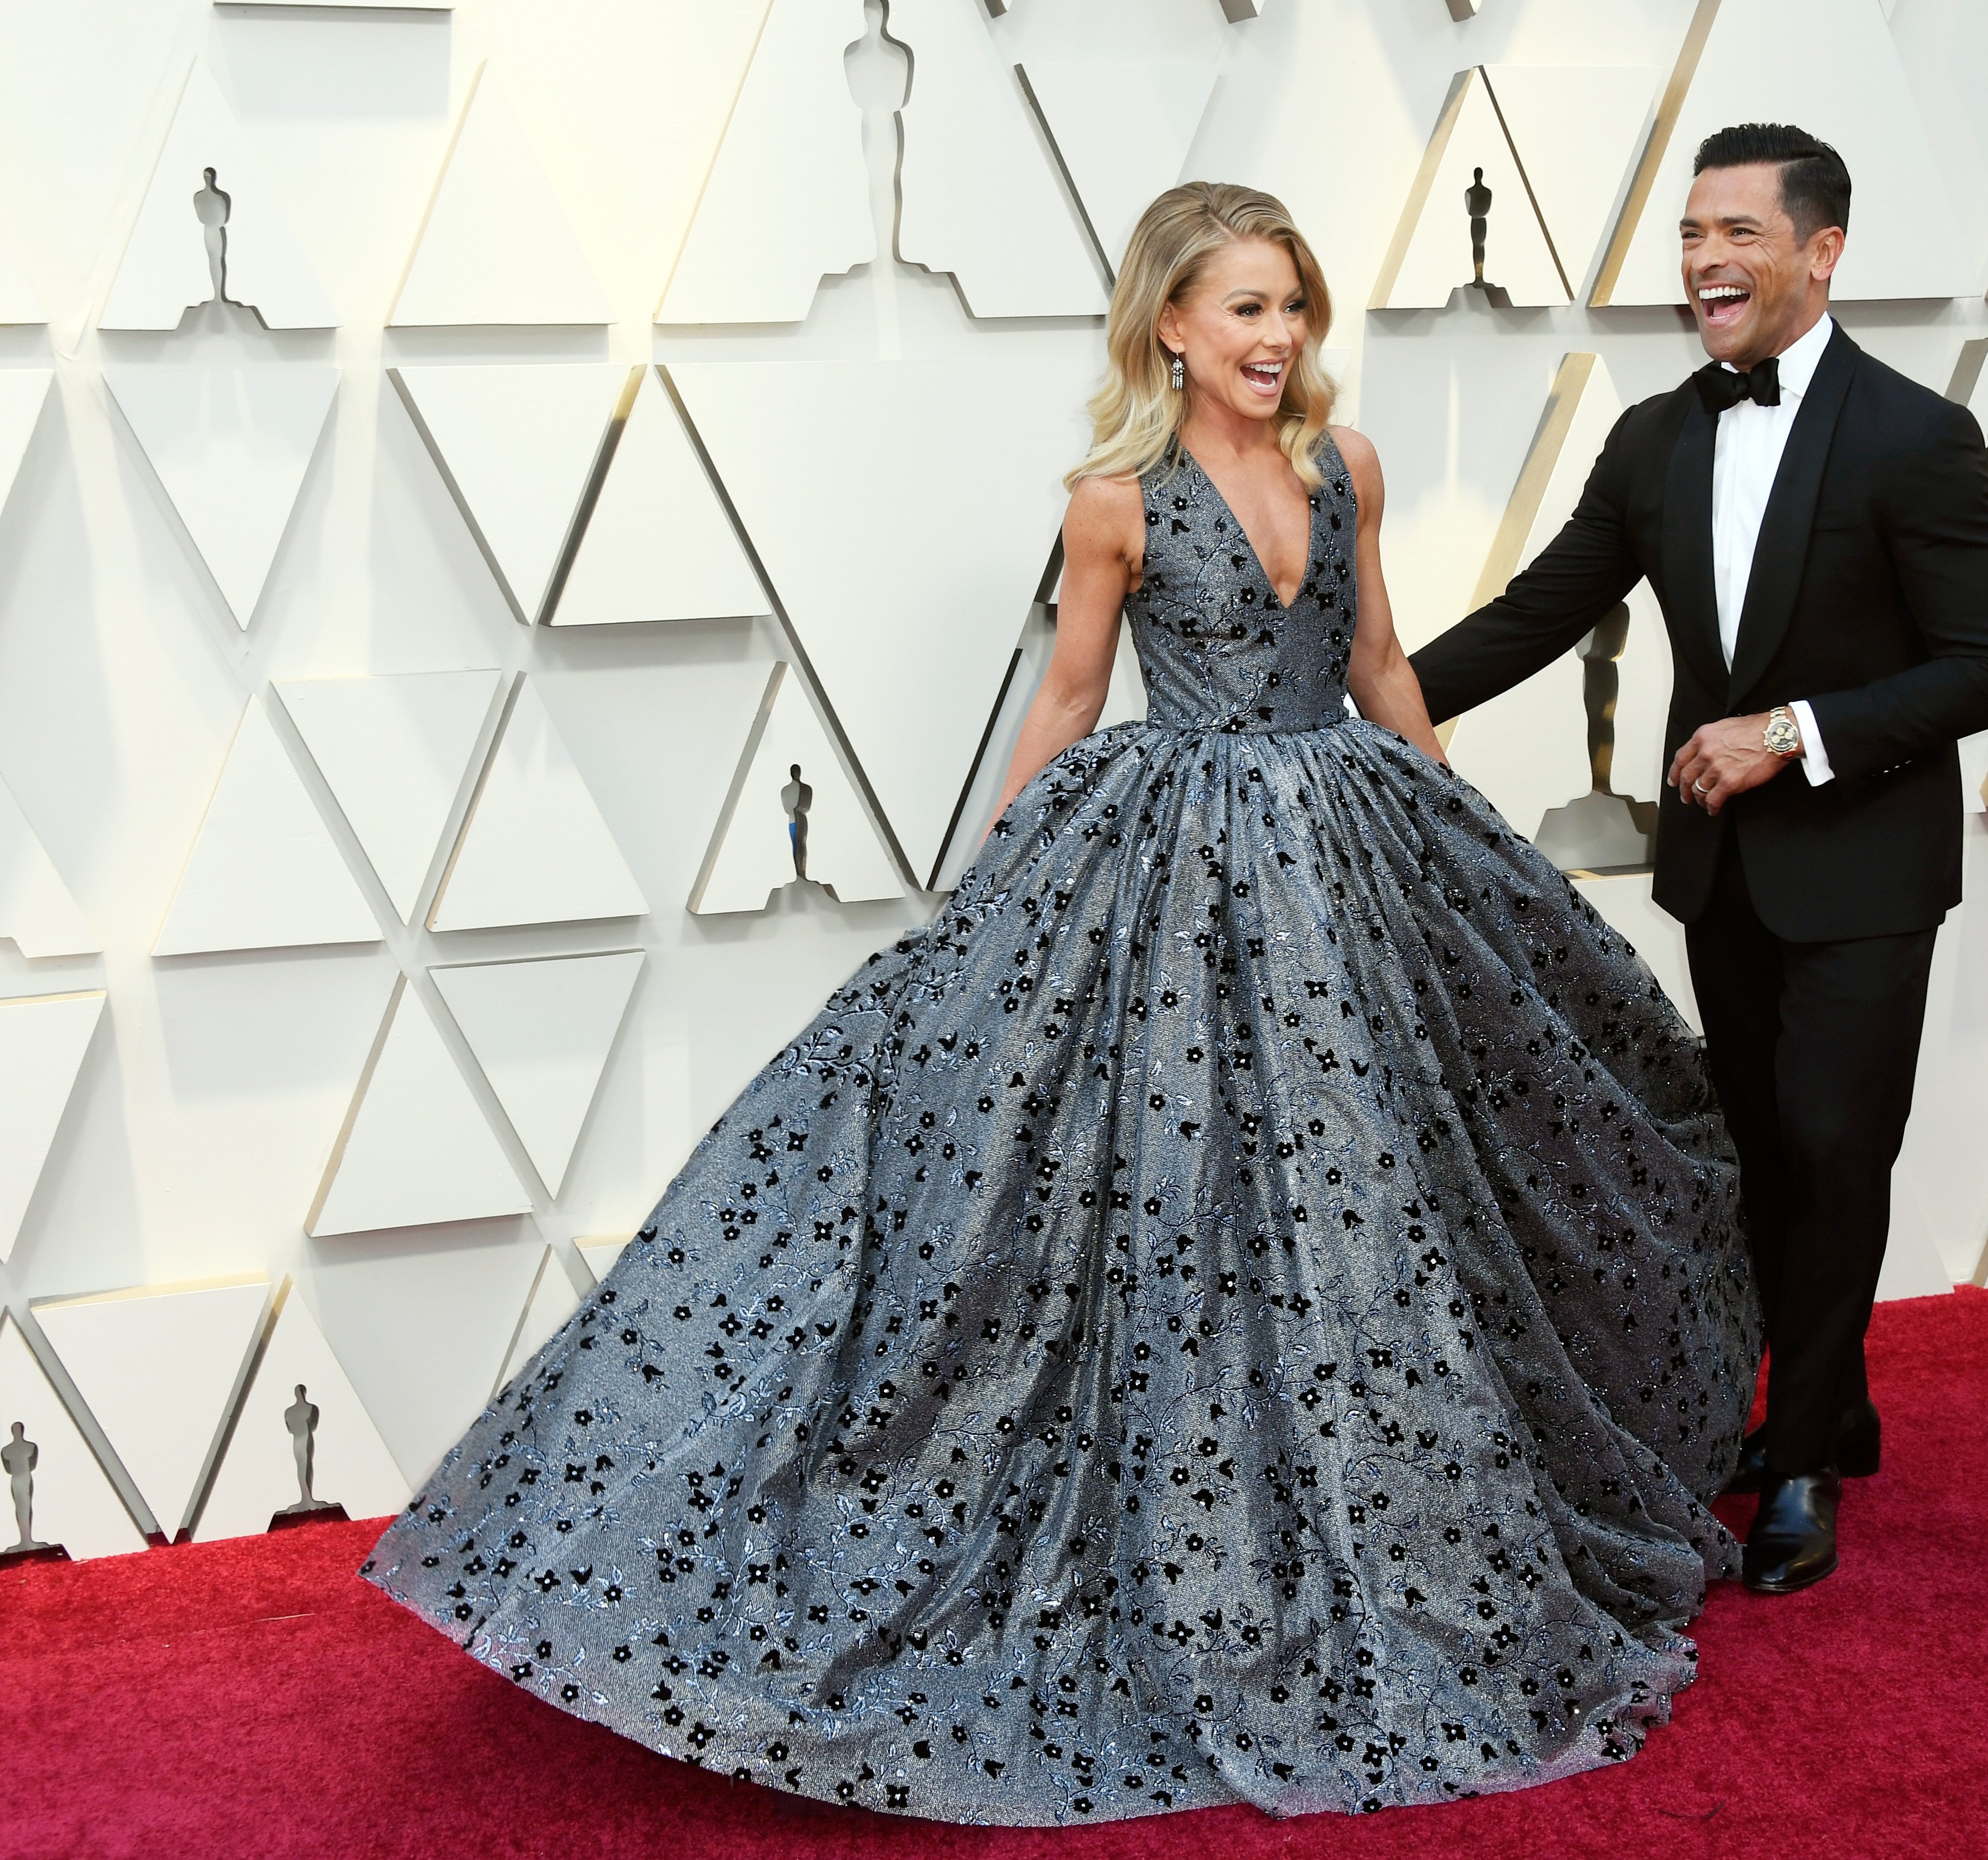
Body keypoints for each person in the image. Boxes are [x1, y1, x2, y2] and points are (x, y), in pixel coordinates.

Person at [364, 181, 1756, 1824]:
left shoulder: (1345, 465)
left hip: (1353, 842)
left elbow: (1379, 666)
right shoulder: (1116, 501)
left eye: (1293, 307)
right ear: (1170, 321)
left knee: (1390, 1187)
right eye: (1245, 309)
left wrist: (1466, 843)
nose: (1277, 337)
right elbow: (1075, 693)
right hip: (1177, 856)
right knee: (1174, 1197)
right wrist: (994, 905)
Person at [1411, 124, 1988, 1595]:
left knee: (1832, 1149)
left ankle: (1807, 1451)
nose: (1703, 259)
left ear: (1820, 252)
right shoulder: (1655, 434)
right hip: (1723, 874)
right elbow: (1533, 614)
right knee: (1759, 1160)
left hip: (1867, 866)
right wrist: (1349, 696)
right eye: (1691, 232)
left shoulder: (1914, 436)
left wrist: (1797, 730)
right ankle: (1815, 1405)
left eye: (1737, 232)